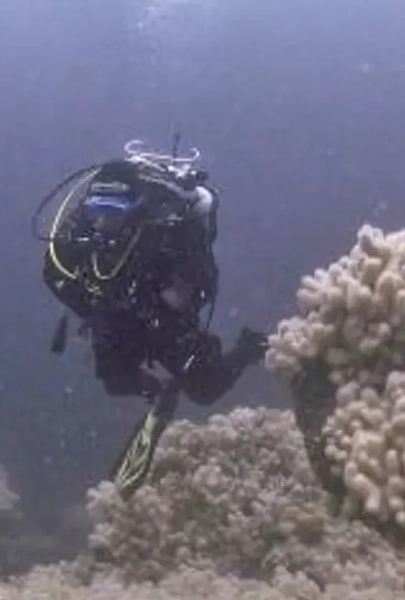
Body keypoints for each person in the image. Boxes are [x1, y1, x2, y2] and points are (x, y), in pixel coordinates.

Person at [36, 140, 268, 492]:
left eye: (114, 212)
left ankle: (249, 347)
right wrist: (98, 310)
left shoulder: (164, 234)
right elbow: (53, 275)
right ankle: (160, 394)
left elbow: (205, 283)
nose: (103, 223)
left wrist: (165, 303)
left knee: (207, 388)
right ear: (86, 207)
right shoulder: (77, 234)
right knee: (116, 380)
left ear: (135, 208)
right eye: (98, 210)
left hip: (162, 320)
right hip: (113, 320)